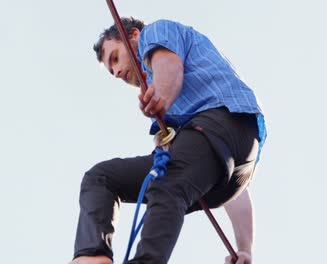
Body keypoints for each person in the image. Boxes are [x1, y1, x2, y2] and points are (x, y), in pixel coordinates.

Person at [70, 17, 266, 264]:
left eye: (116, 58)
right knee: (101, 178)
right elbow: (236, 187)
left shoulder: (155, 32)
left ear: (132, 36)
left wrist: (161, 95)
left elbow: (169, 66)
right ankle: (92, 256)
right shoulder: (170, 117)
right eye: (111, 71)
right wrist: (245, 249)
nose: (117, 72)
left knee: (166, 184)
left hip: (225, 121)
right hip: (229, 172)